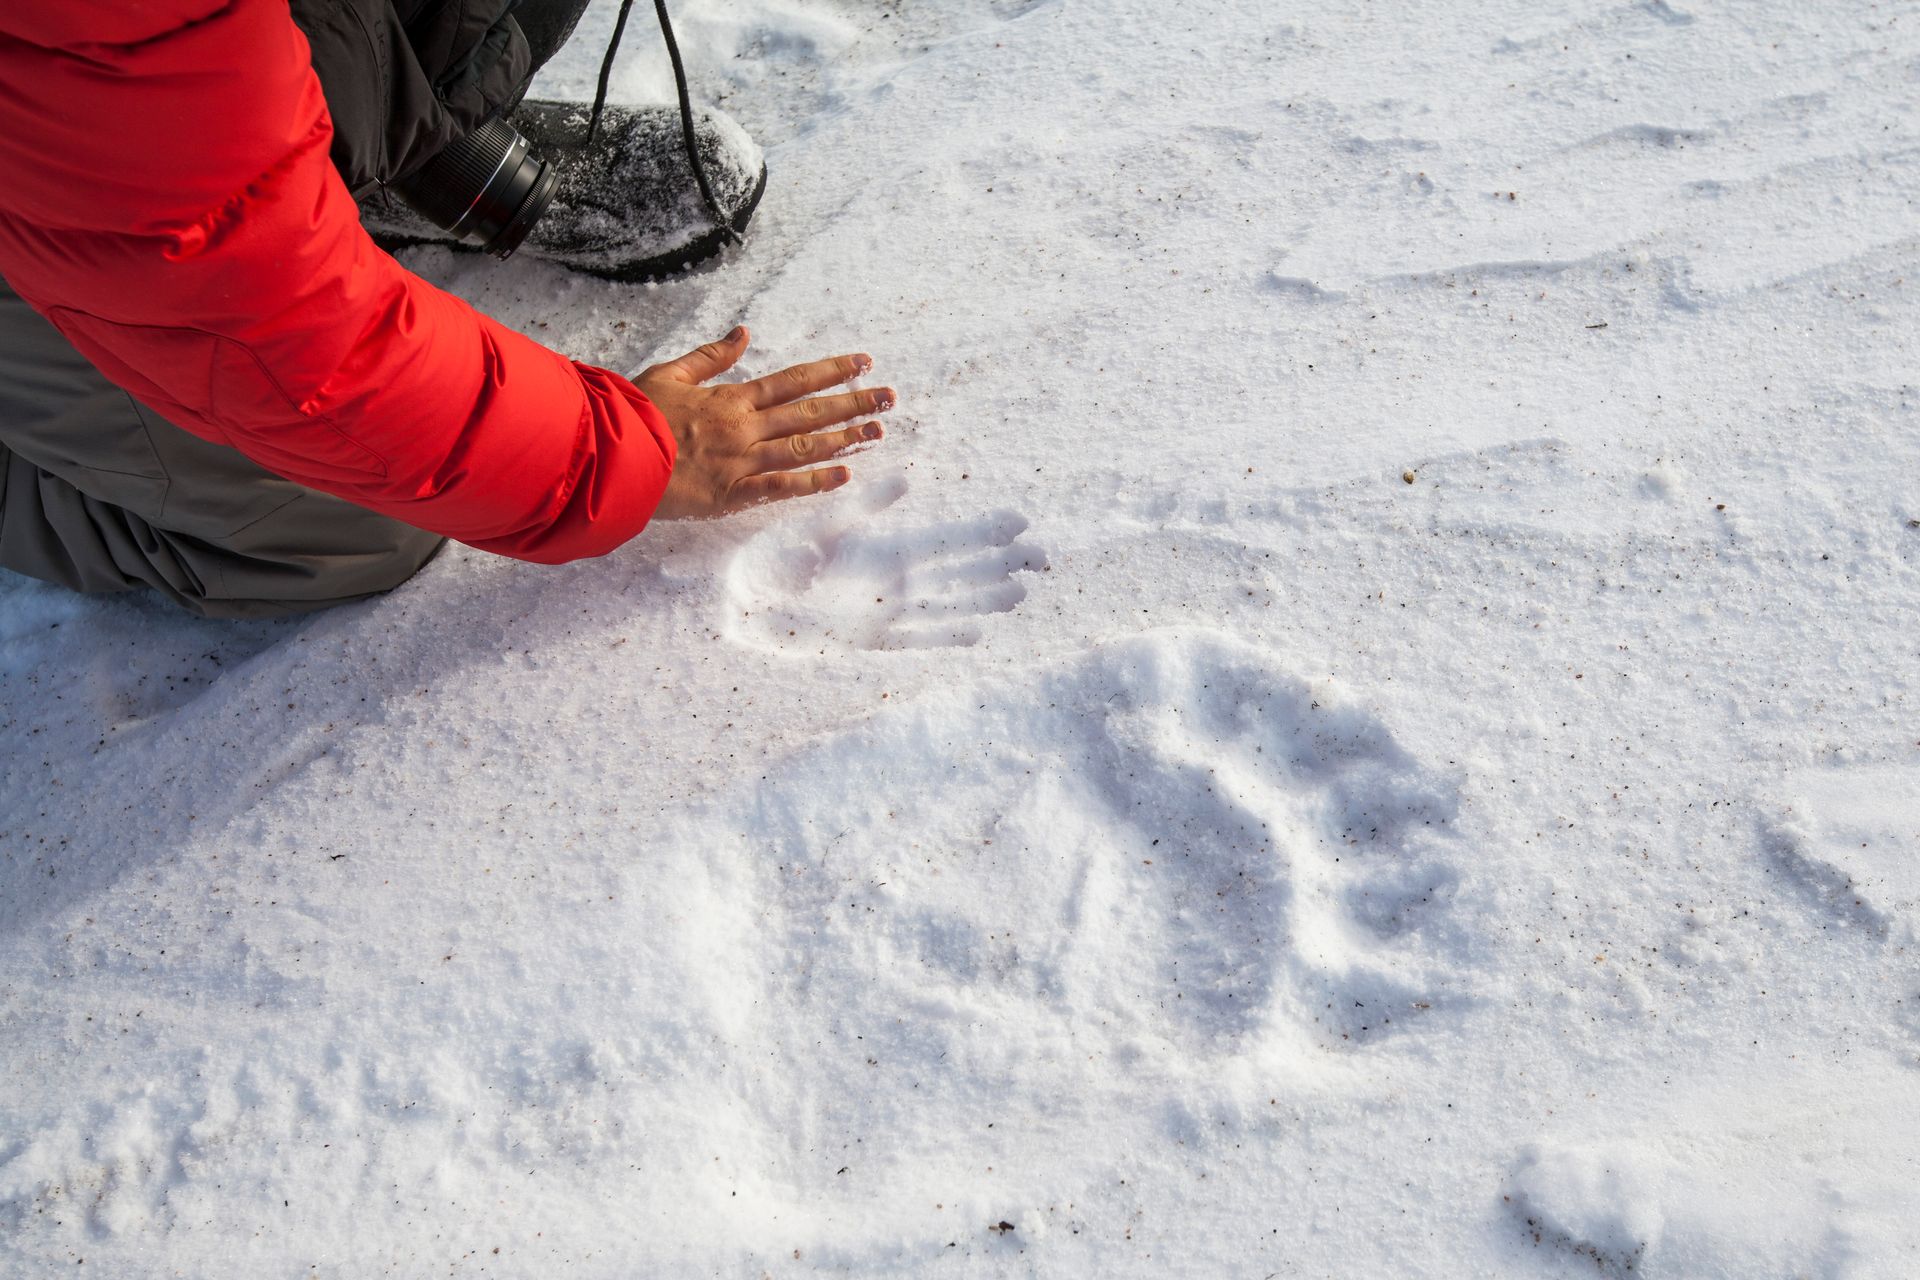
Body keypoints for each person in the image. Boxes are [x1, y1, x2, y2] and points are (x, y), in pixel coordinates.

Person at [0, 0, 892, 618]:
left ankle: (325, 157)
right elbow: (292, 347)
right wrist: (630, 456)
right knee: (351, 521)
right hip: (73, 152)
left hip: (129, 115)